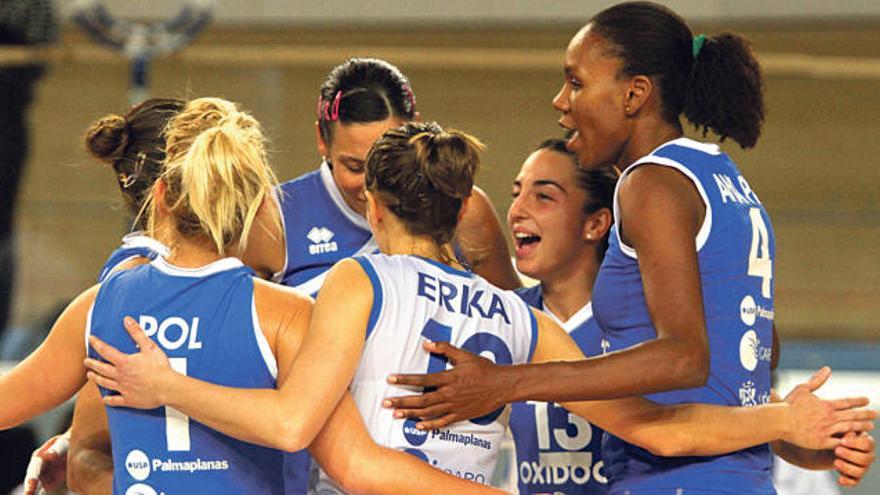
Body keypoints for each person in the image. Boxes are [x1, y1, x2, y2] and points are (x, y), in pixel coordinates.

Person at [84, 122, 874, 492]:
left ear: (374, 207)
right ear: (465, 205)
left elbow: (309, 436)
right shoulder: (522, 318)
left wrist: (160, 387)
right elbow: (655, 424)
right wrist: (779, 421)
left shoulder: (350, 287)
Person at [380, 2, 876, 492]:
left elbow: (685, 358)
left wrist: (506, 381)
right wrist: (795, 430)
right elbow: (753, 352)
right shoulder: (725, 179)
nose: (560, 100)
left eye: (576, 82)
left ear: (635, 93)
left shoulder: (650, 183)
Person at [2, 98, 506, 495]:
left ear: (160, 197)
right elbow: (354, 463)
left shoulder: (100, 305)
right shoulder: (286, 315)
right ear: (258, 203)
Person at [242, 57, 520, 292]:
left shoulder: (464, 209)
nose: (374, 183)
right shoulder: (273, 218)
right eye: (355, 167)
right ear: (322, 140)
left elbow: (514, 326)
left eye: (390, 161)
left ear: (417, 131)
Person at [507, 139, 617, 494]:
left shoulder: (644, 323)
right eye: (516, 193)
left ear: (596, 223)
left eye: (543, 197)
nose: (517, 211)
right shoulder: (504, 317)